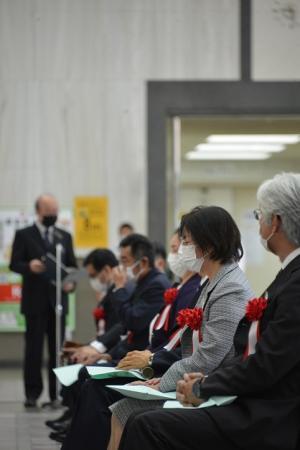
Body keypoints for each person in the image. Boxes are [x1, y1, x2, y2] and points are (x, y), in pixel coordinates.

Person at [119, 172, 300, 450]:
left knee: (145, 424)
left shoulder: (291, 282)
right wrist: (203, 382)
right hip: (252, 395)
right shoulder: (287, 274)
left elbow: (265, 364)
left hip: (270, 413)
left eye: (259, 214)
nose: (258, 220)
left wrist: (204, 386)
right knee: (133, 415)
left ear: (275, 222)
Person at [108, 205, 254, 450]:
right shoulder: (213, 282)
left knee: (128, 414)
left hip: (213, 387)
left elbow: (210, 355)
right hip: (195, 379)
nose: (183, 249)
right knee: (121, 411)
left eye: (186, 241)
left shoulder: (231, 288)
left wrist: (162, 382)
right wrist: (163, 379)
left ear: (207, 246)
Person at [9, 194, 77, 408]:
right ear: (38, 211)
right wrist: (29, 266)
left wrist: (70, 284)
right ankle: (32, 394)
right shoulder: (24, 235)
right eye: (48, 213)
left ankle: (56, 394)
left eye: (55, 212)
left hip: (58, 302)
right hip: (34, 301)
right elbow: (14, 263)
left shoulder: (64, 236)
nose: (52, 216)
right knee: (33, 349)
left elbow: (72, 267)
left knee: (58, 350)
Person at [46, 248, 123, 437]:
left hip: (118, 350)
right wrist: (88, 346)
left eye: (93, 275)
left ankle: (76, 423)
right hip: (109, 346)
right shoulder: (109, 291)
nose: (91, 280)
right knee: (76, 357)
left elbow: (121, 328)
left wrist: (97, 350)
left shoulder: (121, 291)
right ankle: (72, 416)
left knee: (84, 370)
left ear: (105, 270)